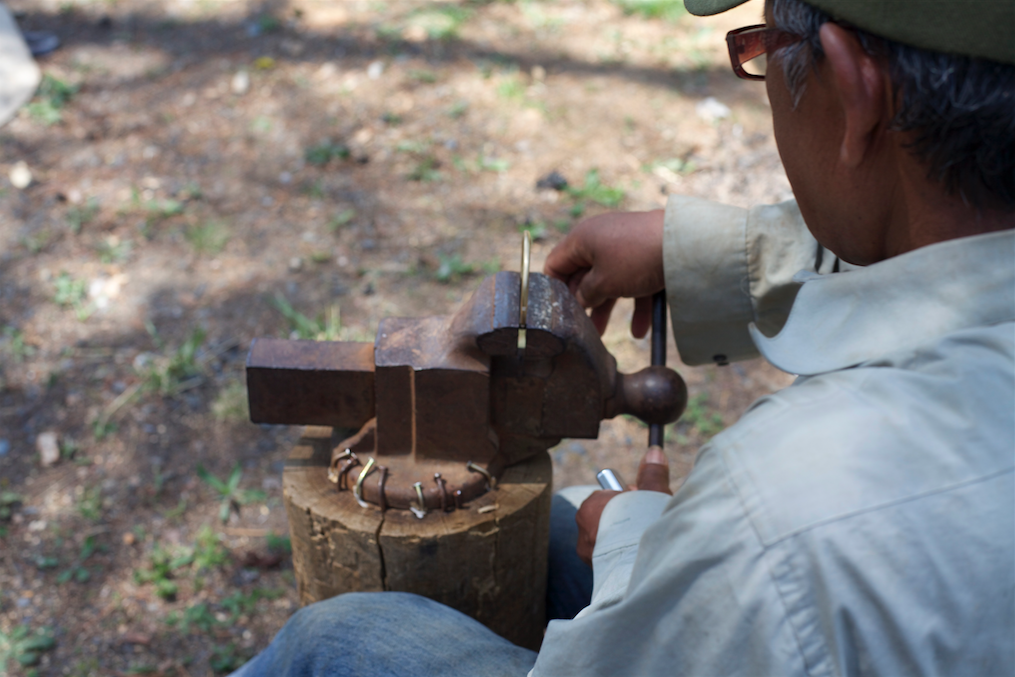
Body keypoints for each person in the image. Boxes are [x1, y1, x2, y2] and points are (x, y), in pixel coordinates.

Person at [232, 0, 1014, 674]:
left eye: (762, 49)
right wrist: (715, 255)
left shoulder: (785, 513)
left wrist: (638, 552)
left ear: (852, 90)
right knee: (557, 526)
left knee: (337, 643)